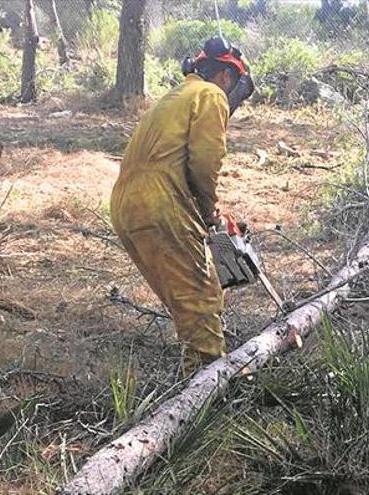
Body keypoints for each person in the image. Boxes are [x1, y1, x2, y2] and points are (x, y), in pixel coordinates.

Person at [110, 37, 254, 374]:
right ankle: (207, 392)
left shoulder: (174, 96)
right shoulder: (211, 94)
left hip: (126, 206)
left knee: (186, 301)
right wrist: (207, 213)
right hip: (160, 203)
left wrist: (209, 214)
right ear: (225, 77)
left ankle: (193, 377)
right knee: (201, 299)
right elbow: (205, 162)